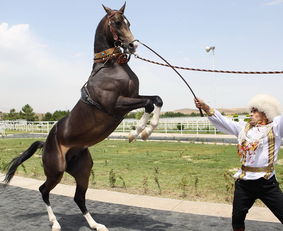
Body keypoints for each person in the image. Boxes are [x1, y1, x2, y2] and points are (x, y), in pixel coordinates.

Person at [195, 94, 283, 231]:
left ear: (266, 113)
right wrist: (205, 107)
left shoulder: (276, 128)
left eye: (255, 111)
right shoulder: (243, 129)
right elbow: (224, 122)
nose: (251, 114)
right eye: (251, 111)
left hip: (267, 183)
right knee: (237, 218)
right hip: (244, 183)